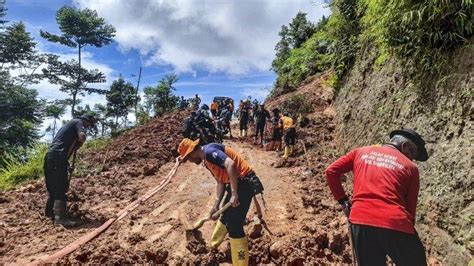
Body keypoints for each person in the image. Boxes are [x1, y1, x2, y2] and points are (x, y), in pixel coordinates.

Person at [324, 128, 429, 266]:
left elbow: (331, 171)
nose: (412, 159)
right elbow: (410, 208)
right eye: (412, 154)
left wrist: (343, 201)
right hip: (395, 221)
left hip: (360, 220)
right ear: (405, 146)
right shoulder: (411, 167)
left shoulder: (360, 152)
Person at [177, 138, 264, 266]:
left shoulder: (209, 152)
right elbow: (220, 182)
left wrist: (234, 193)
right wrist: (216, 205)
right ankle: (213, 246)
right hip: (236, 183)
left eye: (188, 158)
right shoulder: (206, 161)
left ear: (191, 152)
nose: (189, 161)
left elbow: (230, 164)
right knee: (225, 213)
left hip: (245, 182)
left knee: (234, 224)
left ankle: (241, 263)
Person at [43, 115, 96, 226]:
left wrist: (66, 165)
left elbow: (63, 147)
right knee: (61, 187)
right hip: (58, 157)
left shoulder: (68, 127)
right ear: (86, 120)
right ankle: (60, 218)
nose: (88, 127)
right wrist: (80, 143)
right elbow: (82, 136)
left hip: (50, 156)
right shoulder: (78, 122)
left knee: (53, 188)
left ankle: (49, 214)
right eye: (89, 124)